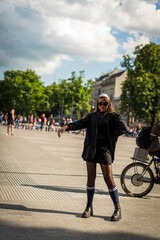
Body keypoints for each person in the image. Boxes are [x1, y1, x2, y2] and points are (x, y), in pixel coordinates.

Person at [58, 93, 128, 221]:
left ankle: (117, 209)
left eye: (104, 103)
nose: (102, 106)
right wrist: (67, 127)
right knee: (91, 178)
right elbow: (79, 123)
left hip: (104, 150)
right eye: (99, 103)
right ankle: (89, 207)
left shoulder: (114, 117)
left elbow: (124, 129)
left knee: (108, 178)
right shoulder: (92, 116)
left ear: (109, 104)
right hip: (91, 149)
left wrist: (111, 136)